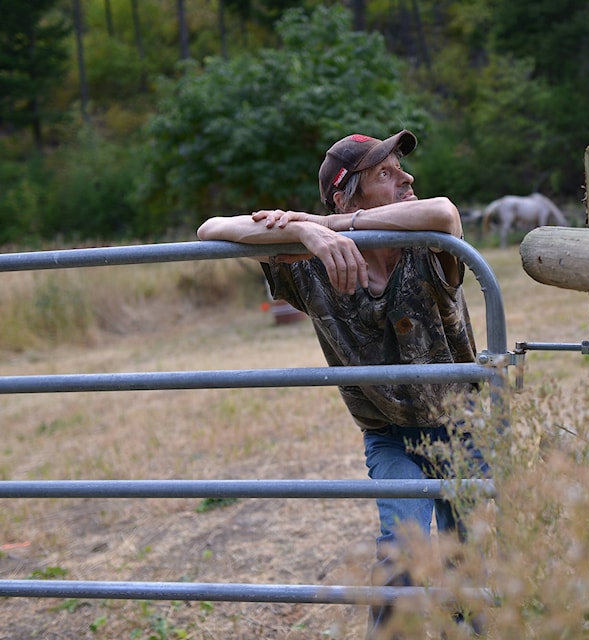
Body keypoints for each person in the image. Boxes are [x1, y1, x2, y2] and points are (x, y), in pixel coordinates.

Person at [196, 130, 488, 638]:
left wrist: (326, 224)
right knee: (402, 562)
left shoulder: (427, 245)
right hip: (392, 436)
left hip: (467, 429)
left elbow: (444, 212)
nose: (406, 177)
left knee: (475, 570)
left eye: (401, 168)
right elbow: (211, 228)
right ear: (344, 191)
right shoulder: (310, 267)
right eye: (386, 173)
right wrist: (309, 236)